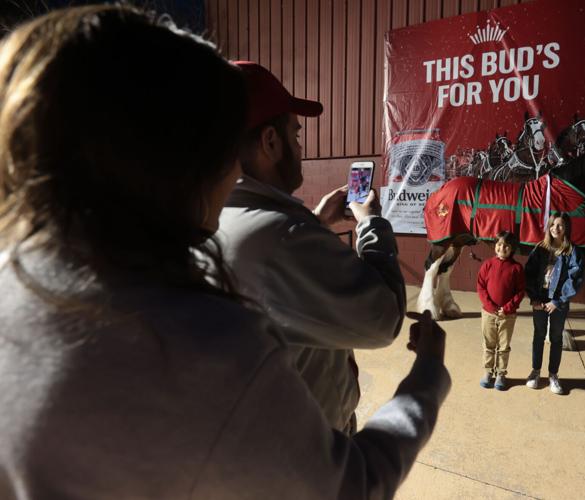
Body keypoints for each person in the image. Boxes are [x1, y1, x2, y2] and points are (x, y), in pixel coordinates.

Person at [0, 6, 450, 499]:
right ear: (176, 157)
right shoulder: (207, 348)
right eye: (218, 147)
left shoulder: (17, 277)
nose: (232, 174)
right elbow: (353, 483)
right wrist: (427, 377)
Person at [218, 61, 405, 433]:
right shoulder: (283, 238)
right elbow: (383, 318)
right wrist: (371, 224)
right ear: (271, 142)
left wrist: (316, 224)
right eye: (295, 134)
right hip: (307, 452)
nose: (300, 147)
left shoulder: (212, 217)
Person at [524, 213, 585, 395]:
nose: (555, 229)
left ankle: (553, 375)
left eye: (560, 225)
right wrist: (534, 298)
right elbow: (529, 273)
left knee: (556, 338)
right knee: (539, 335)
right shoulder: (541, 249)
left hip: (558, 303)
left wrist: (558, 301)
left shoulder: (572, 252)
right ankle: (535, 372)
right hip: (540, 301)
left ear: (566, 228)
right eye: (552, 225)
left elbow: (575, 278)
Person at [476, 231, 525, 390]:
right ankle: (488, 372)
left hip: (507, 316)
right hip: (488, 313)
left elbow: (520, 292)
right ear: (494, 246)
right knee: (488, 344)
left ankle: (501, 374)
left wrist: (507, 308)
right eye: (499, 244)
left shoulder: (516, 268)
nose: (501, 248)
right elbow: (481, 287)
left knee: (503, 346)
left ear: (512, 249)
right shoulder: (487, 265)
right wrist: (490, 306)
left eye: (506, 245)